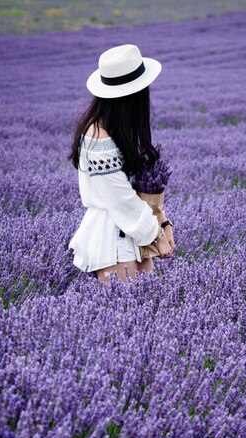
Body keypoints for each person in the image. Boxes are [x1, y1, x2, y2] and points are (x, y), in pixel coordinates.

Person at [68, 44, 175, 284]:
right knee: (122, 312)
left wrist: (164, 222)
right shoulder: (97, 139)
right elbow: (121, 199)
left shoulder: (117, 131)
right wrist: (157, 235)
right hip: (111, 242)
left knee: (144, 312)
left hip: (134, 237)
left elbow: (134, 190)